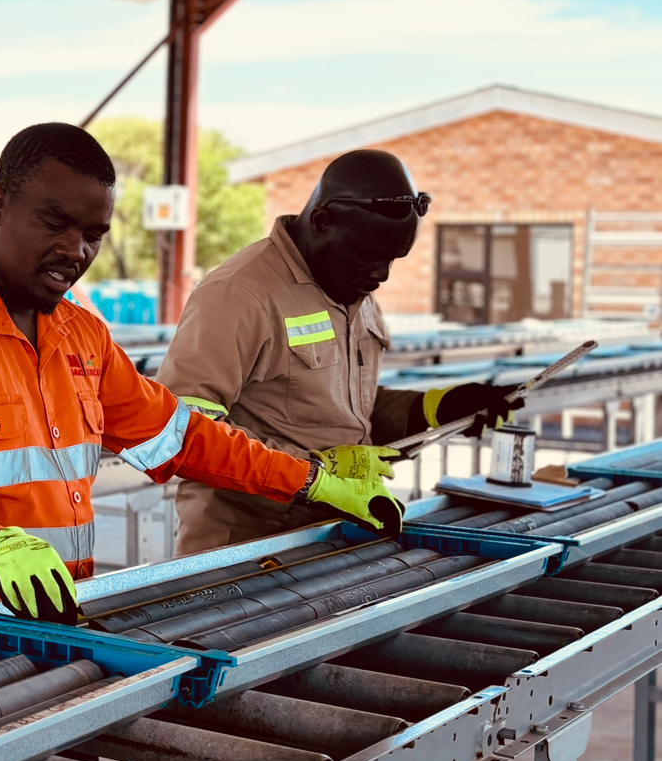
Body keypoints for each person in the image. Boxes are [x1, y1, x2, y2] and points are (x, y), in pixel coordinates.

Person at [0, 124, 403, 627]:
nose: (75, 250)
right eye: (55, 223)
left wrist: (309, 481)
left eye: (94, 234)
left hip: (46, 626)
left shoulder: (82, 336)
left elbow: (182, 438)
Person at [160, 149, 524, 554]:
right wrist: (318, 472)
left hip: (337, 533)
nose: (381, 274)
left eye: (391, 260)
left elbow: (338, 409)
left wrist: (434, 410)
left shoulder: (350, 285)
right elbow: (185, 432)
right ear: (321, 222)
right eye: (369, 256)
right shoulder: (240, 293)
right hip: (248, 547)